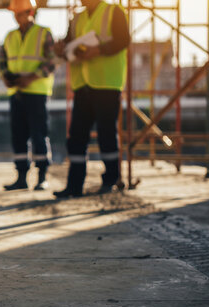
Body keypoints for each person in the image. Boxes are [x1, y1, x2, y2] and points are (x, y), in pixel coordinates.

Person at [53, 0, 130, 198]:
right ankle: (74, 185)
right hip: (83, 85)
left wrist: (100, 49)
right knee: (77, 137)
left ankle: (111, 180)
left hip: (107, 83)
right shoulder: (77, 17)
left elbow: (124, 40)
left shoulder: (114, 11)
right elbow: (69, 44)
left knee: (106, 134)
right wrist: (61, 49)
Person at [0, 0, 56, 191]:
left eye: (20, 13)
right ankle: (21, 176)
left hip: (36, 92)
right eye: (15, 14)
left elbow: (51, 62)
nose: (17, 17)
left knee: (38, 134)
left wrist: (31, 78)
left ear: (31, 12)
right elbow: (2, 61)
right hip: (16, 92)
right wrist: (6, 77)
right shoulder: (10, 36)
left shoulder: (43, 33)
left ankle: (42, 177)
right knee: (18, 135)